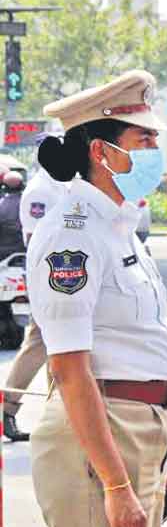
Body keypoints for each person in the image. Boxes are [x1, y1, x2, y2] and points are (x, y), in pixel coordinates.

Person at [27, 70, 167, 527]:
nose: (155, 150)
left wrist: (152, 458)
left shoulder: (117, 225)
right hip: (102, 435)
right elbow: (70, 369)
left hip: (134, 431)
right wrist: (116, 483)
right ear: (101, 151)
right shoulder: (72, 234)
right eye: (144, 140)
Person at [4, 158, 70, 441]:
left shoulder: (62, 184)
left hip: (64, 274)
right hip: (48, 275)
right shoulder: (40, 191)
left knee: (59, 344)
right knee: (40, 343)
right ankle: (7, 408)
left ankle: (59, 413)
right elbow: (36, 239)